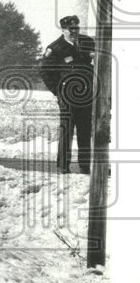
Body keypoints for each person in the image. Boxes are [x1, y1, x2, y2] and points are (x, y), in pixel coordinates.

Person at [40, 14, 96, 174]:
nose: (74, 31)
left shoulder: (88, 42)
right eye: (71, 29)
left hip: (86, 94)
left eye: (76, 28)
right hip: (67, 97)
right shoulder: (55, 48)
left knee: (85, 130)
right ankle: (63, 166)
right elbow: (45, 71)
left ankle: (85, 166)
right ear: (63, 30)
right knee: (67, 130)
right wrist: (58, 92)